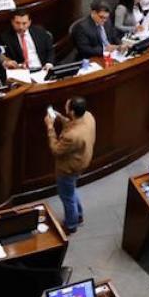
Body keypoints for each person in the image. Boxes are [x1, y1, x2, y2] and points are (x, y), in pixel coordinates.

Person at [47, 96, 95, 233]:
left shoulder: (72, 136)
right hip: (82, 161)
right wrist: (61, 118)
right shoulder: (88, 116)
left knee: (67, 197)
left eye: (67, 106)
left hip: (68, 168)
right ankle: (78, 215)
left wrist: (50, 128)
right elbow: (74, 123)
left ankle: (71, 225)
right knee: (71, 191)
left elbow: (56, 150)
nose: (65, 106)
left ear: (72, 112)